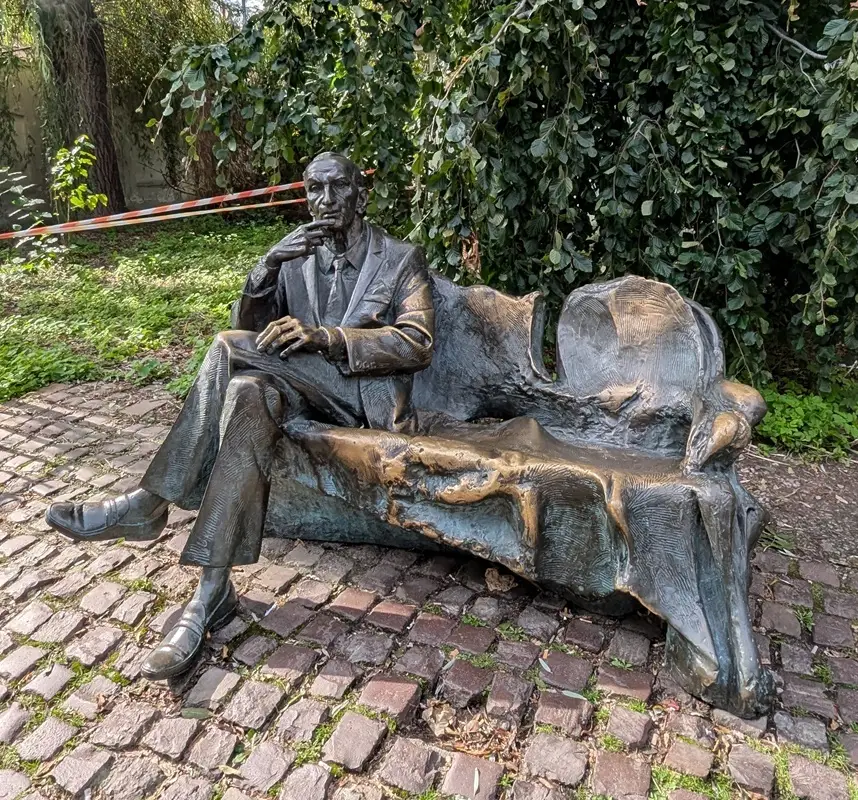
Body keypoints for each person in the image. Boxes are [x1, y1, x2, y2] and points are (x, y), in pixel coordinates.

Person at [45, 152, 435, 680]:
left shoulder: (400, 258)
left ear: (360, 194)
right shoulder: (295, 256)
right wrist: (265, 268)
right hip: (295, 390)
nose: (325, 200)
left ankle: (149, 502)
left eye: (338, 188)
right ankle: (211, 592)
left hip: (361, 399)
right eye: (314, 189)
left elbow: (417, 341)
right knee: (248, 393)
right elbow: (254, 330)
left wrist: (327, 337)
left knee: (228, 349)